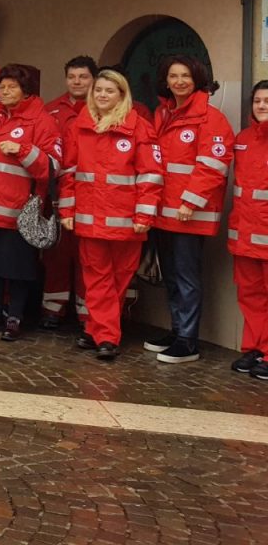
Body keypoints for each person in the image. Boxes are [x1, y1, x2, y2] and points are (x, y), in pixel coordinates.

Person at [57, 69, 161, 361]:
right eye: (99, 90)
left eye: (109, 91)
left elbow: (150, 176)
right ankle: (107, 337)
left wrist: (144, 216)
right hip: (90, 219)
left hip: (127, 222)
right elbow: (69, 173)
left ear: (122, 95)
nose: (102, 95)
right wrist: (67, 209)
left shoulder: (139, 128)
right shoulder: (80, 126)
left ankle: (96, 328)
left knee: (118, 279)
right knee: (96, 278)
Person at [0, 64, 62, 342]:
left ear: (26, 90)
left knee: (16, 268)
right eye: (2, 87)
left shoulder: (41, 122)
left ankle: (15, 316)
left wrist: (23, 150)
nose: (5, 91)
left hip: (18, 210)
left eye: (12, 87)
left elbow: (54, 167)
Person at [148, 54, 233, 363]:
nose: (179, 81)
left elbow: (212, 166)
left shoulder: (211, 118)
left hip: (188, 214)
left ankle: (188, 340)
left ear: (197, 79)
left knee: (186, 277)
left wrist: (189, 202)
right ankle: (177, 329)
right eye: (173, 76)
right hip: (163, 212)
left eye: (185, 75)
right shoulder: (164, 114)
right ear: (166, 80)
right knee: (170, 276)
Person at [40, 55, 97, 329]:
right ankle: (53, 309)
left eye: (83, 77)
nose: (77, 82)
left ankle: (87, 314)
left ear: (93, 79)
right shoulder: (51, 110)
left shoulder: (103, 109)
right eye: (72, 77)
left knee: (89, 256)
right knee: (57, 254)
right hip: (57, 193)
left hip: (92, 195)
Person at [229, 80, 268, 379]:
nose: (262, 105)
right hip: (245, 234)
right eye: (257, 101)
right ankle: (255, 347)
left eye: (267, 100)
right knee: (250, 295)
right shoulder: (242, 139)